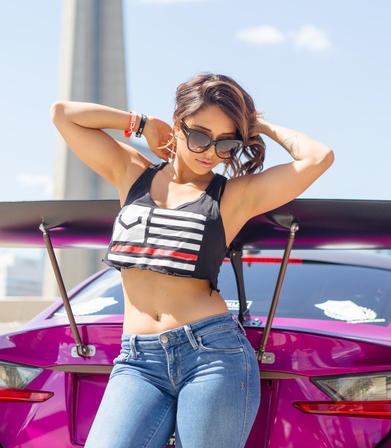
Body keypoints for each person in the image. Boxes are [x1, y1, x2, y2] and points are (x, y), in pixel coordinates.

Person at [50, 73, 334, 448]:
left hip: (213, 357)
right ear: (178, 122)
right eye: (200, 135)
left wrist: (256, 122)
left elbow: (318, 158)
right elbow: (63, 115)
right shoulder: (132, 173)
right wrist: (142, 124)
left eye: (226, 143)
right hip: (136, 359)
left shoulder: (232, 196)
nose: (210, 152)